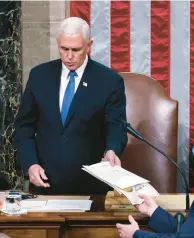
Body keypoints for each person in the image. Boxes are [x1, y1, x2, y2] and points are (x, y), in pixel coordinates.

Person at [13, 17, 127, 194]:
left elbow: (116, 126)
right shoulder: (39, 76)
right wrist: (30, 164)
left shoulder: (109, 81)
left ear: (89, 45)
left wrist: (112, 150)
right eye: (64, 49)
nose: (69, 56)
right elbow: (23, 125)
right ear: (58, 43)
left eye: (76, 49)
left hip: (91, 188)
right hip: (45, 184)